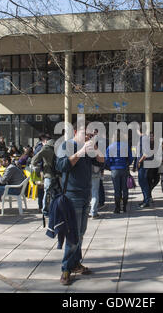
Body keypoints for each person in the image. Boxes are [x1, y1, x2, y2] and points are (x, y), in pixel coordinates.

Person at [55, 122, 105, 285]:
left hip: (86, 195)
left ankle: (75, 263)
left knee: (81, 233)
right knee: (72, 235)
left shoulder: (89, 148)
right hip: (72, 196)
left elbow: (102, 161)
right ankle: (66, 269)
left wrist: (94, 147)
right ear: (76, 131)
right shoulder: (67, 145)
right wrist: (81, 151)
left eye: (91, 133)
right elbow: (61, 166)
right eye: (86, 132)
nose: (89, 135)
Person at [105, 130, 134, 214]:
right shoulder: (126, 146)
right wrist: (127, 163)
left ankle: (117, 208)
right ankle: (124, 207)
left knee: (116, 189)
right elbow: (131, 158)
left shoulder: (110, 147)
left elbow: (107, 159)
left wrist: (110, 166)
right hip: (124, 168)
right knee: (125, 189)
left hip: (114, 169)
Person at [31, 134, 55, 214]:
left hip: (47, 173)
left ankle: (45, 210)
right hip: (58, 174)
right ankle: (54, 209)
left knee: (45, 192)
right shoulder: (58, 146)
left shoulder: (45, 148)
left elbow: (34, 160)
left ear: (44, 140)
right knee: (55, 192)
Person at [135, 130, 152, 209]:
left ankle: (146, 201)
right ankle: (145, 199)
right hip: (141, 164)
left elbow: (146, 152)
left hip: (143, 164)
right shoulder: (141, 138)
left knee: (143, 182)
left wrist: (139, 161)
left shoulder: (144, 139)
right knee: (141, 182)